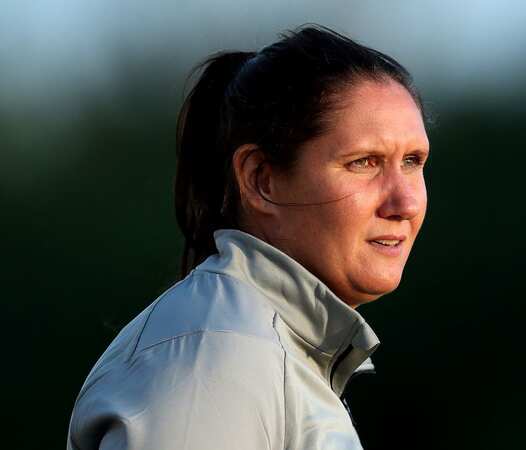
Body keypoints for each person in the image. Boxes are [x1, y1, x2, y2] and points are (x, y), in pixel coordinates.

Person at [67, 24, 429, 450]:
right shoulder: (220, 361)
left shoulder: (260, 352)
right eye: (364, 162)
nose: (404, 203)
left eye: (412, 161)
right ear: (261, 181)